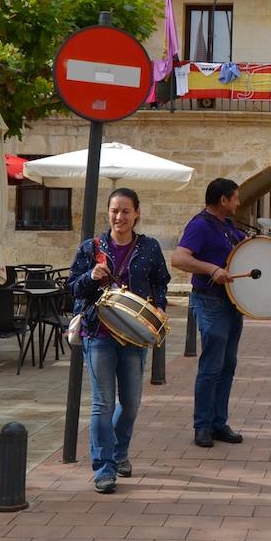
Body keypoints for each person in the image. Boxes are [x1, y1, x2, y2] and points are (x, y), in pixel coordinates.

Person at [66, 188, 171, 493]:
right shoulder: (91, 248)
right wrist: (90, 277)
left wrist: (159, 307)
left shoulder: (149, 248)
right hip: (98, 332)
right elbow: (72, 288)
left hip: (135, 335)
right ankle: (104, 468)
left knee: (131, 404)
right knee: (102, 403)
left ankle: (119, 451)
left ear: (137, 213)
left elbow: (160, 281)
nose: (119, 217)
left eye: (126, 211)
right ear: (108, 212)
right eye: (114, 210)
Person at [172, 178, 249, 448]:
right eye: (235, 197)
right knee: (211, 366)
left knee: (227, 365)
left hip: (230, 303)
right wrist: (212, 269)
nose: (239, 202)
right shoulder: (200, 225)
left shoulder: (227, 226)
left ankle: (219, 423)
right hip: (210, 301)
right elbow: (179, 258)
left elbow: (245, 249)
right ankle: (202, 426)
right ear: (223, 200)